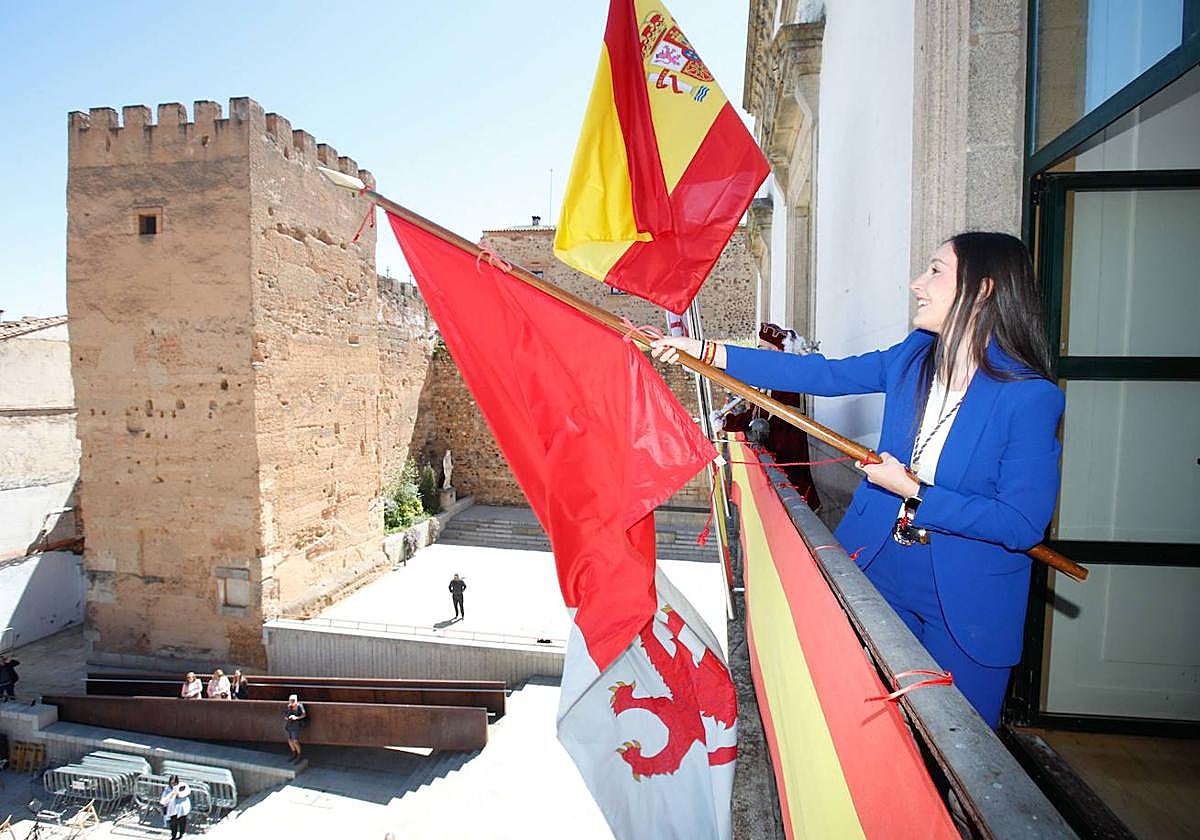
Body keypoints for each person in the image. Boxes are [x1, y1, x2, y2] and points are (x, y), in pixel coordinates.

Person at [652, 232, 1063, 728]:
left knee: (957, 745)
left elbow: (1020, 523)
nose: (917, 283)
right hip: (878, 566)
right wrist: (706, 351)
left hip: (968, 600)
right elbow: (822, 375)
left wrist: (913, 491)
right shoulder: (912, 357)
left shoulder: (1029, 397)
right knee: (864, 727)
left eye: (935, 271)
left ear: (983, 289)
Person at [751, 322, 822, 512]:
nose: (759, 352)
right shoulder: (769, 377)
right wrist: (727, 422)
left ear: (776, 350)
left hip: (786, 448)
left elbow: (777, 420)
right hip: (773, 448)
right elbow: (755, 413)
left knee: (795, 494)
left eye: (763, 348)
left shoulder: (786, 379)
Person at [284, 694, 307, 762]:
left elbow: (304, 714)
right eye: (290, 700)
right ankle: (294, 753)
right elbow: (286, 715)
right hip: (290, 724)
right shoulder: (289, 706)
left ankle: (299, 755)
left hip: (296, 725)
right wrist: (288, 717)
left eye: (293, 700)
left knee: (295, 740)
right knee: (289, 740)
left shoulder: (299, 705)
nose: (291, 702)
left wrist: (296, 717)